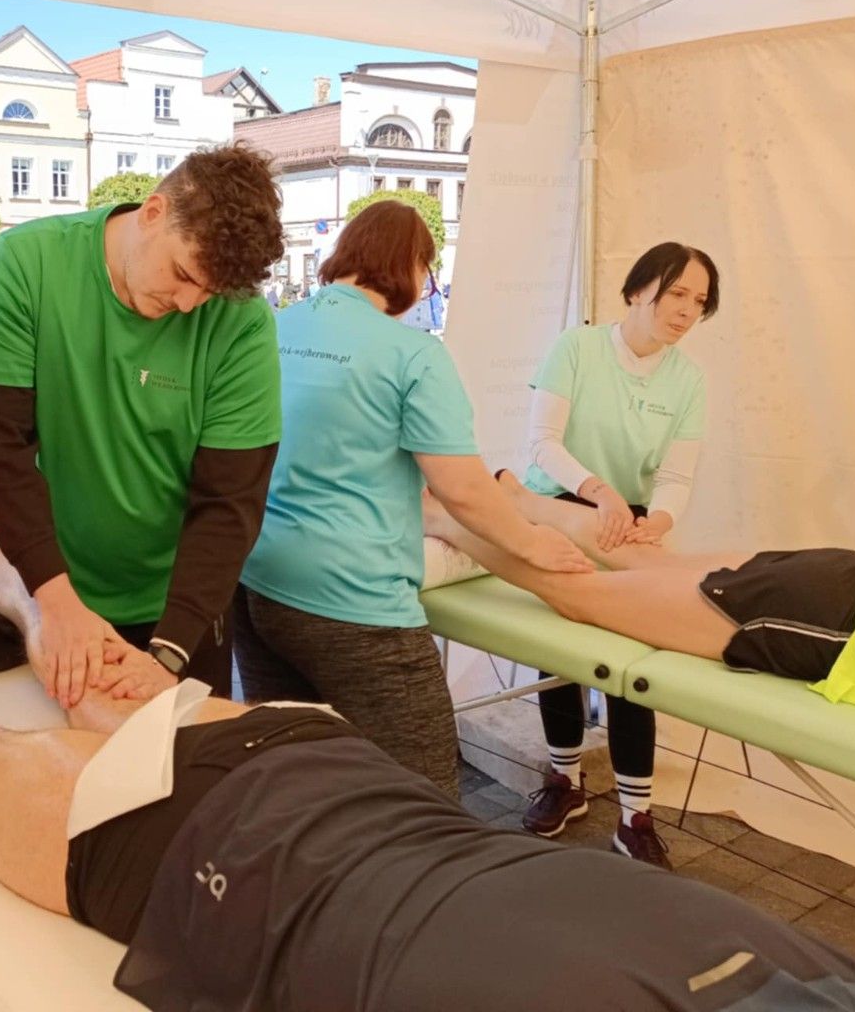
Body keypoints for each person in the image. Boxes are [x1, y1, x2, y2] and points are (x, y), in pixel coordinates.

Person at [0, 575, 855, 1012]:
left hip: (331, 766)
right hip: (215, 853)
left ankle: (14, 594)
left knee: (101, 692)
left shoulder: (839, 978)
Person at [233, 202, 588, 797]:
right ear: (412, 265)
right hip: (352, 602)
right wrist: (536, 547)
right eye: (426, 269)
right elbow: (465, 490)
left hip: (259, 581)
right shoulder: (412, 354)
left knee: (295, 779)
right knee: (424, 793)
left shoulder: (274, 329)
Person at [0, 143, 285, 708]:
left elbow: (230, 501)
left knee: (182, 779)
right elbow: (0, 452)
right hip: (53, 585)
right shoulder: (24, 266)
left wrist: (169, 652)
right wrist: (54, 602)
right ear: (154, 213)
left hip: (183, 607)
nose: (188, 305)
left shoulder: (243, 322)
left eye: (209, 293)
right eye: (183, 275)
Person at [425, 472, 855, 726]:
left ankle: (522, 501)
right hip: (840, 626)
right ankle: (442, 518)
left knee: (656, 567)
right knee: (577, 594)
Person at [520, 242, 720, 864]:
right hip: (560, 505)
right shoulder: (576, 349)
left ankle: (636, 814)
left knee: (634, 662)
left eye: (700, 301)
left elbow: (676, 477)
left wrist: (655, 519)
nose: (687, 311)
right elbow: (542, 442)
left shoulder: (687, 380)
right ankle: (566, 780)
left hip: (628, 523)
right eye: (678, 292)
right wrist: (598, 493)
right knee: (560, 652)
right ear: (639, 288)